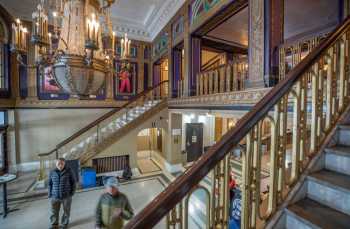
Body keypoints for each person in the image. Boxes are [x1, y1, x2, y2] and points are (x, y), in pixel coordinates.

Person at [48, 158, 76, 229]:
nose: (60, 165)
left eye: (62, 164)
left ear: (64, 164)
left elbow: (73, 182)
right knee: (54, 212)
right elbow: (49, 184)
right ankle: (54, 225)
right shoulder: (52, 172)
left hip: (66, 196)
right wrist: (50, 193)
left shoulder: (69, 171)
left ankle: (64, 224)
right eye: (58, 164)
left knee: (66, 212)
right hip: (55, 196)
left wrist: (72, 193)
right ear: (56, 164)